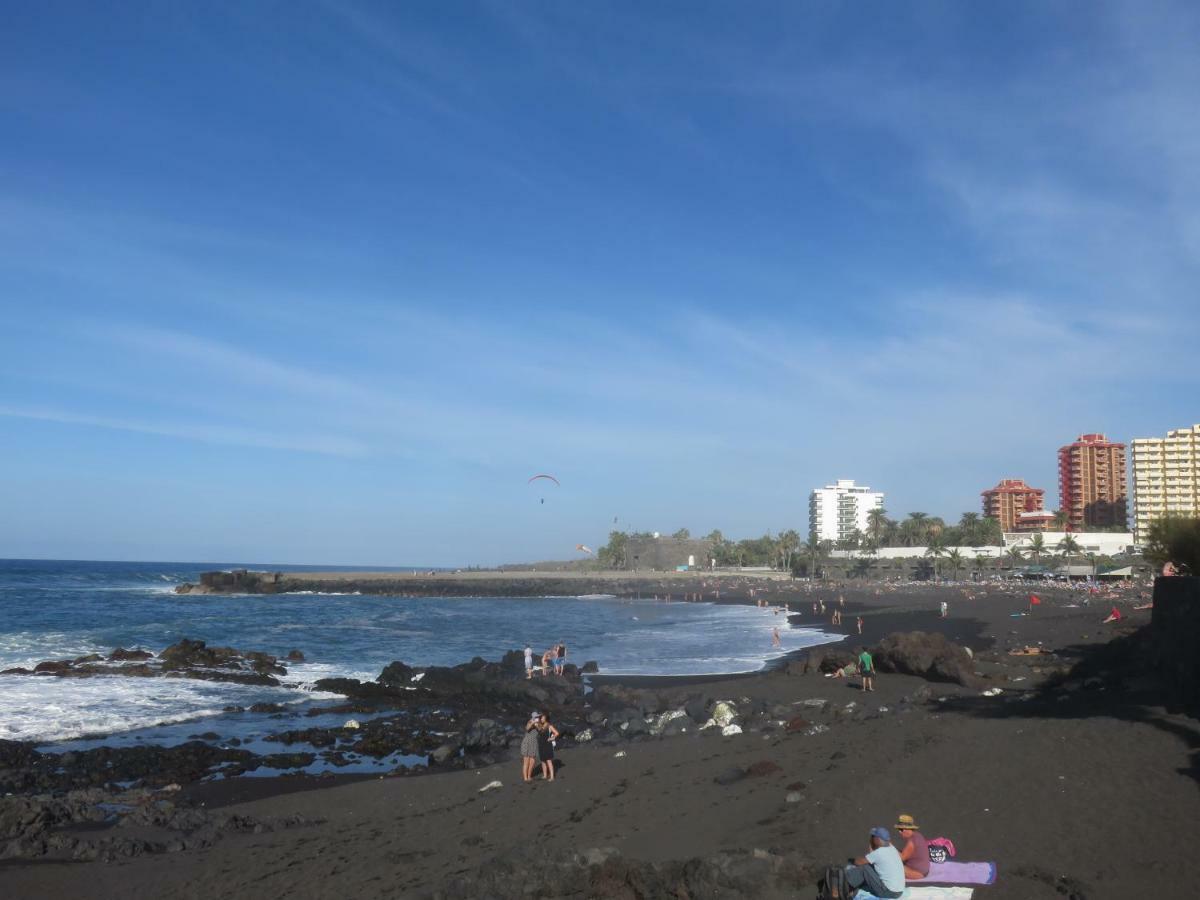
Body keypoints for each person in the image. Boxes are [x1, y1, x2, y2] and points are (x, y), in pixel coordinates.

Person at [843, 827, 906, 899]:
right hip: (899, 891)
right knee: (871, 866)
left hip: (889, 893)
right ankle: (850, 882)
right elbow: (872, 858)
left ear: (878, 839)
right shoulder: (892, 848)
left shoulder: (879, 853)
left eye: (873, 837)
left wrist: (853, 860)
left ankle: (844, 884)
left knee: (865, 868)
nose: (872, 838)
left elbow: (859, 862)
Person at [894, 814, 930, 880]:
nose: (899, 832)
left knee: (891, 865)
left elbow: (901, 858)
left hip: (917, 873)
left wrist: (890, 847)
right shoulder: (918, 835)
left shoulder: (911, 842)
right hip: (924, 870)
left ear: (906, 829)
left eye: (901, 829)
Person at [537, 713, 560, 781]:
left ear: (546, 719)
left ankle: (552, 777)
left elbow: (557, 733)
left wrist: (551, 738)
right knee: (543, 761)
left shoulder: (549, 726)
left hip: (547, 745)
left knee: (548, 760)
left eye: (543, 718)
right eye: (541, 718)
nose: (542, 719)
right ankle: (545, 775)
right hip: (541, 744)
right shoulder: (540, 725)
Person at [520, 713, 541, 782]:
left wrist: (537, 725)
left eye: (538, 716)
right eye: (536, 717)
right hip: (527, 741)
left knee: (532, 761)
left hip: (534, 742)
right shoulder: (530, 721)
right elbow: (527, 728)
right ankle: (525, 778)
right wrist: (532, 723)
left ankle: (529, 776)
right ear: (533, 717)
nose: (537, 718)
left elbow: (541, 730)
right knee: (526, 761)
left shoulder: (539, 723)